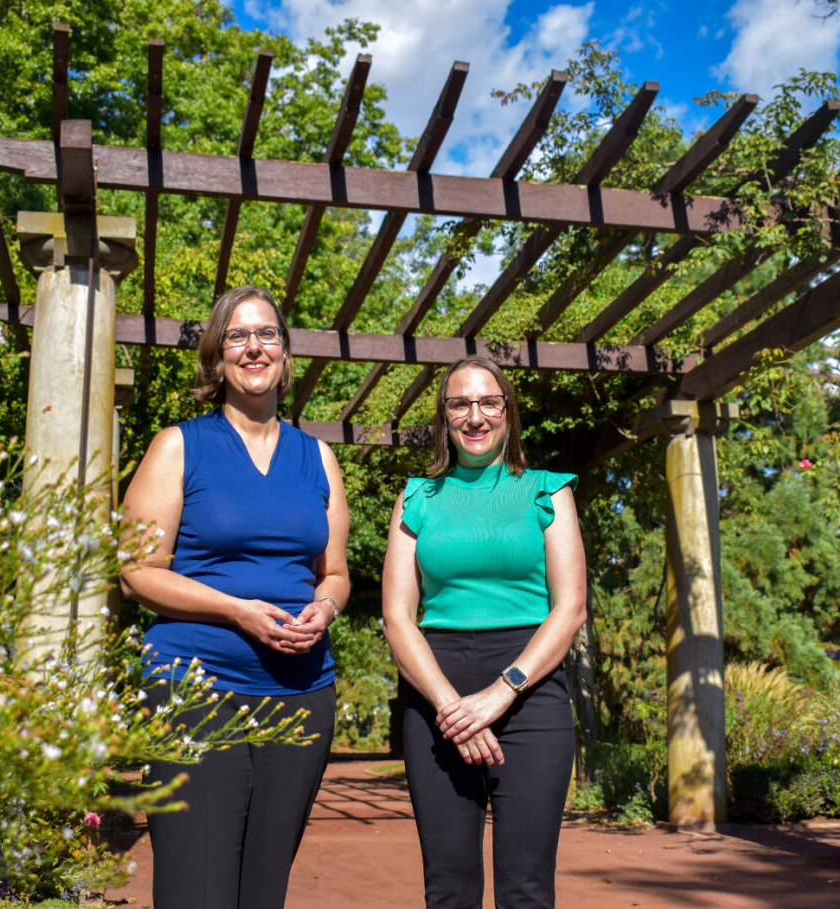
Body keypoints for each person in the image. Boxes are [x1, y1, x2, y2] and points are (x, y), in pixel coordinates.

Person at [120, 285, 349, 909]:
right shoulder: (178, 445)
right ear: (217, 358)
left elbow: (334, 573)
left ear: (285, 353)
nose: (254, 347)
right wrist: (237, 611)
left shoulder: (318, 457)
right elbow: (136, 572)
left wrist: (324, 609)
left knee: (262, 893)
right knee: (197, 890)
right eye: (238, 336)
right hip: (196, 689)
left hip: (301, 698)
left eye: (267, 334)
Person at [382, 355, 587, 909]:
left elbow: (569, 609)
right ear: (445, 415)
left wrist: (500, 693)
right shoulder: (417, 496)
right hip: (435, 692)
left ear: (507, 412)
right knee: (448, 890)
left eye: (488, 402)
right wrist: (453, 707)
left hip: (531, 693)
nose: (475, 416)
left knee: (526, 889)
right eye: (460, 403)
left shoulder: (549, 491)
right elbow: (398, 616)